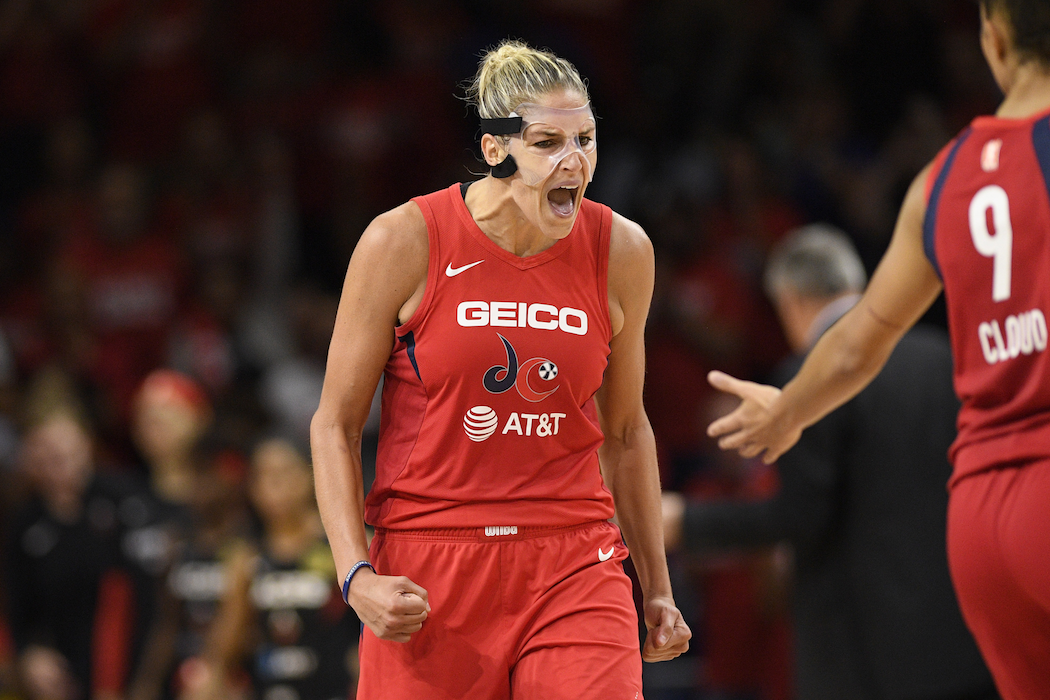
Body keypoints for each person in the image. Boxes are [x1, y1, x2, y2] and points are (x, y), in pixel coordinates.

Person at [310, 39, 690, 699]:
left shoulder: (622, 250)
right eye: (547, 142)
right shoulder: (403, 239)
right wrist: (356, 576)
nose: (575, 160)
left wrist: (657, 589)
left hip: (574, 558)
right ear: (495, 150)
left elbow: (627, 432)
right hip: (432, 564)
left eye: (587, 139)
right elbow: (334, 426)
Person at [705, 3, 1050, 698]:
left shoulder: (941, 177)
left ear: (996, 36)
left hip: (980, 517)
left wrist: (788, 412)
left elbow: (859, 344)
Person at [665, 225, 997, 700]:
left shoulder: (806, 379)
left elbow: (800, 515)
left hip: (865, 655)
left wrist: (684, 523)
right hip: (968, 632)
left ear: (790, 300)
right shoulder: (942, 356)